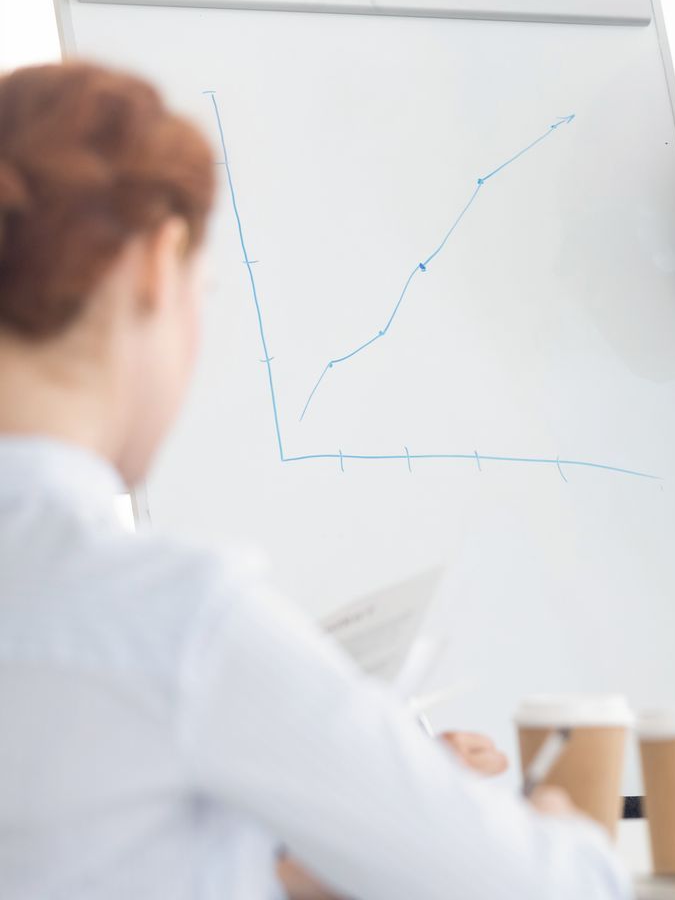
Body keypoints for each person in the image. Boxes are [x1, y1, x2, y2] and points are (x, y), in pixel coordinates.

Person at [0, 62, 629, 899]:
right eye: (203, 291)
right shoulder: (176, 620)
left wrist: (291, 858)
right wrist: (552, 825)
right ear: (157, 266)